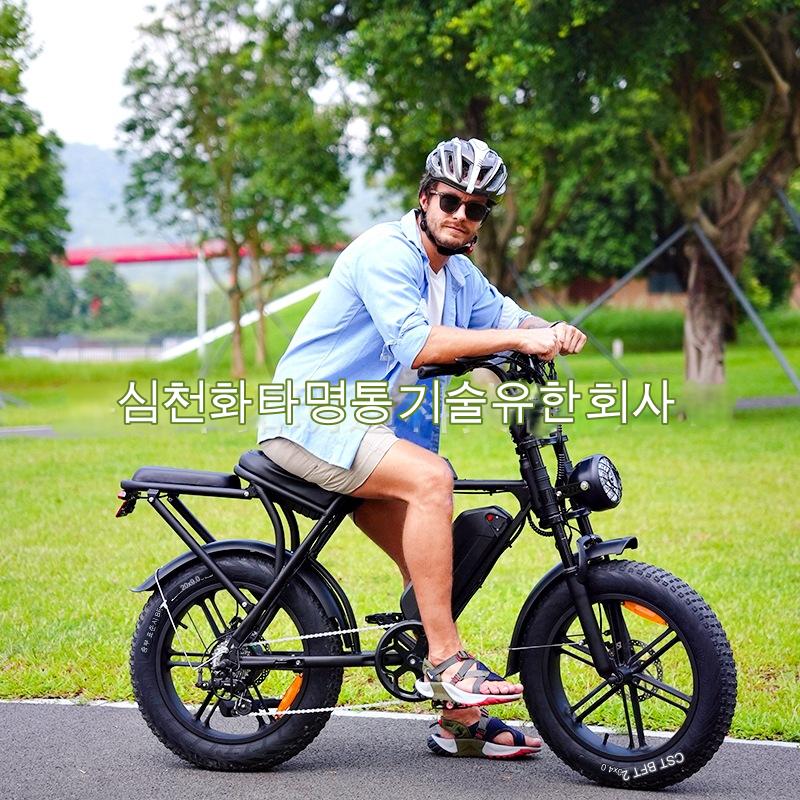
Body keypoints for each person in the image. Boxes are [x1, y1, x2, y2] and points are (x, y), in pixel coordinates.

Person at [257, 137, 586, 759]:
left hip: (369, 431)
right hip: (309, 420)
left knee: (431, 580)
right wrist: (517, 342)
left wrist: (551, 331)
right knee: (433, 479)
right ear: (425, 198)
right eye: (450, 201)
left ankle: (457, 723)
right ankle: (446, 661)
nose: (461, 215)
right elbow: (419, 344)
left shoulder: (456, 272)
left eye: (476, 208)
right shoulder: (387, 253)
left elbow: (508, 317)